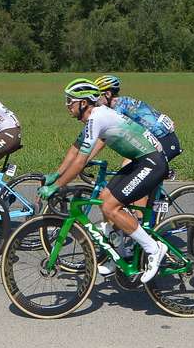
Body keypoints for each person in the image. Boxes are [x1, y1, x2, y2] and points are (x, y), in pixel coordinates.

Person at [40, 79, 168, 283]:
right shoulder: (95, 118)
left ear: (83, 103)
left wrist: (57, 185)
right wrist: (57, 174)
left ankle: (154, 249)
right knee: (104, 197)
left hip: (151, 162)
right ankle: (120, 253)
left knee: (110, 207)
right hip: (140, 161)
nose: (67, 105)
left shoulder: (97, 118)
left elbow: (81, 161)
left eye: (70, 101)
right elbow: (77, 149)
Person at [93, 75, 182, 161]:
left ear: (108, 94)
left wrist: (85, 160)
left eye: (97, 96)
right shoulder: (125, 100)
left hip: (164, 141)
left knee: (130, 166)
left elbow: (103, 139)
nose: (94, 100)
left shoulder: (118, 109)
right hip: (165, 138)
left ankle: (166, 173)